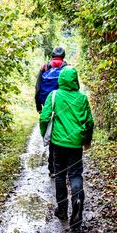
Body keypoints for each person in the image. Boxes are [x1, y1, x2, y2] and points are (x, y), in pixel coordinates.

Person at [39, 66, 94, 232]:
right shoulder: (82, 98)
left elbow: (44, 118)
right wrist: (86, 140)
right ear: (75, 79)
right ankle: (77, 203)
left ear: (61, 79)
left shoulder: (54, 95)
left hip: (58, 144)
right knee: (76, 174)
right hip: (75, 145)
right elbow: (89, 123)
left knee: (60, 175)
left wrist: (45, 136)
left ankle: (62, 210)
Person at [35, 46, 68, 177]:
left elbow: (38, 87)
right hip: (63, 104)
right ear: (63, 56)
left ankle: (52, 168)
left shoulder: (45, 67)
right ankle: (62, 166)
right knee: (63, 132)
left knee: (51, 134)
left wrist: (38, 105)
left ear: (52, 55)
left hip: (48, 104)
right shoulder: (67, 68)